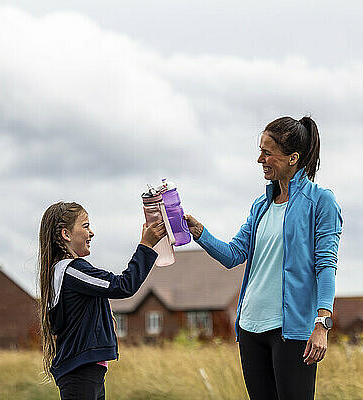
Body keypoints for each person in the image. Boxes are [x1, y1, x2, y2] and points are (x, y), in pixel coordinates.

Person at [185, 116, 343, 400]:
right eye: (260, 151)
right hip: (250, 328)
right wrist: (200, 232)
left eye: (267, 153)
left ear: (293, 158)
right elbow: (234, 255)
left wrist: (322, 323)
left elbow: (326, 266)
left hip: (292, 330)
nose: (260, 159)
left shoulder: (321, 201)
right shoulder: (261, 205)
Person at [38, 201, 166, 400]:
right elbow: (123, 285)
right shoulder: (73, 271)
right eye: (86, 225)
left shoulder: (62, 272)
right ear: (66, 234)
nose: (92, 232)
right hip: (81, 372)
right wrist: (146, 245)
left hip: (87, 371)